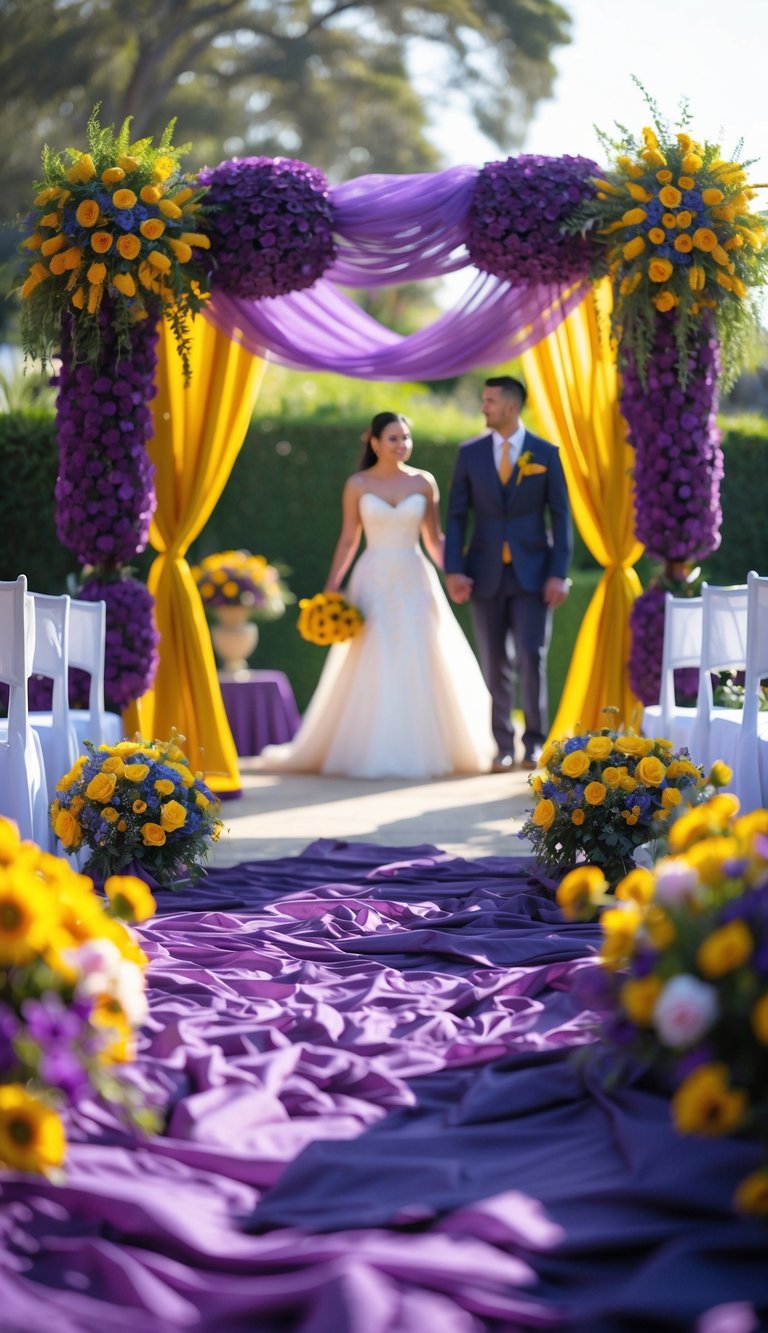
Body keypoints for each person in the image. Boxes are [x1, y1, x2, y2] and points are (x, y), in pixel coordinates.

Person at [260, 412, 495, 780]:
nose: (402, 445)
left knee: (420, 652)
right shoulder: (357, 484)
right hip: (372, 579)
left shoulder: (424, 482)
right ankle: (368, 748)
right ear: (374, 442)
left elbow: (434, 540)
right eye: (393, 438)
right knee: (372, 656)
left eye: (406, 438)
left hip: (415, 579)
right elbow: (349, 538)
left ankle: (424, 747)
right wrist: (331, 587)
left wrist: (455, 573)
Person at [444, 376, 571, 773]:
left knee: (532, 658)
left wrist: (558, 573)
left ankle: (534, 743)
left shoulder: (545, 454)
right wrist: (454, 571)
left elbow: (562, 517)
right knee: (493, 661)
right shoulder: (470, 454)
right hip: (483, 575)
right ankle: (501, 745)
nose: (483, 407)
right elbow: (456, 516)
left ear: (511, 407)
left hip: (534, 576)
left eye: (489, 401)